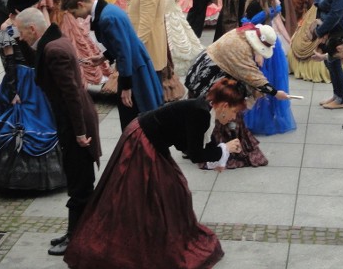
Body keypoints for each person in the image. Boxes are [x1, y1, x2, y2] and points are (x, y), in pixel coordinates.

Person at [64, 79, 245, 269]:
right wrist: (224, 149)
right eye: (234, 112)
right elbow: (194, 154)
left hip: (151, 140)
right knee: (145, 197)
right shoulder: (201, 112)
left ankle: (163, 236)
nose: (233, 118)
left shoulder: (204, 106)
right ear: (224, 105)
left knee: (173, 191)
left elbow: (191, 141)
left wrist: (218, 156)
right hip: (142, 142)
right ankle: (137, 243)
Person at [13, 8, 101, 256]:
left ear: (32, 30)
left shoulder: (54, 50)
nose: (20, 38)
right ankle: (77, 230)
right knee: (77, 179)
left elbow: (71, 94)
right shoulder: (52, 41)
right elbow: (37, 62)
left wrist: (80, 133)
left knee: (79, 182)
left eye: (21, 33)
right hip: (72, 122)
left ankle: (77, 236)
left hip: (76, 124)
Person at [0, 0, 65, 191]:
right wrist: (14, 89)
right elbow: (8, 60)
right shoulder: (7, 27)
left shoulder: (30, 18)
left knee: (44, 117)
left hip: (37, 75)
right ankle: (18, 176)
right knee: (24, 121)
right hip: (21, 78)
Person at [185, 24, 289, 168]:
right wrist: (276, 93)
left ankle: (194, 146)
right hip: (209, 78)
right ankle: (218, 151)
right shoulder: (241, 50)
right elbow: (254, 77)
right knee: (220, 113)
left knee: (202, 114)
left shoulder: (242, 34)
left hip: (204, 68)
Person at [61, 0, 163, 129]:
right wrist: (104, 57)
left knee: (135, 120)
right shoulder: (109, 10)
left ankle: (138, 149)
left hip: (133, 72)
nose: (77, 17)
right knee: (141, 116)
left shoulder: (107, 18)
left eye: (74, 13)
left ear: (80, 4)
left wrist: (127, 87)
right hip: (135, 67)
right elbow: (122, 44)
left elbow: (124, 52)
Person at [39, 0, 112, 88]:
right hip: (55, 20)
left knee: (79, 46)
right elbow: (44, 7)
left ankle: (80, 79)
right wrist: (48, 28)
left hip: (70, 20)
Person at [241, 0, 295, 135]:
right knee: (267, 79)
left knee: (268, 80)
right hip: (262, 45)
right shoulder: (257, 4)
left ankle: (265, 115)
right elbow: (249, 26)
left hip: (269, 43)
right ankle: (265, 116)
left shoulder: (257, 1)